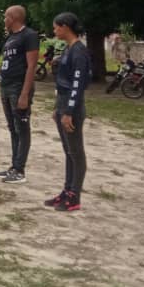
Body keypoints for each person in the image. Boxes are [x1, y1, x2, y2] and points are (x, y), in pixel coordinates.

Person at [46, 12, 91, 211]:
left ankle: (75, 196)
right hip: (63, 103)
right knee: (68, 151)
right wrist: (58, 108)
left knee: (76, 152)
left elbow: (78, 85)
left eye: (56, 27)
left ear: (65, 26)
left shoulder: (79, 51)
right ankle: (67, 190)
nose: (54, 30)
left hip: (72, 107)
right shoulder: (68, 49)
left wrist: (69, 112)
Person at [0, 5, 39, 185]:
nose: (4, 20)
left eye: (6, 16)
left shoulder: (29, 36)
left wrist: (24, 93)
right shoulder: (11, 37)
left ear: (13, 18)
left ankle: (20, 170)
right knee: (12, 127)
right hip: (6, 85)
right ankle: (14, 166)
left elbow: (31, 66)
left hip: (19, 87)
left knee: (22, 128)